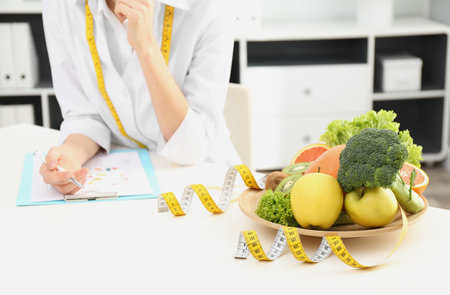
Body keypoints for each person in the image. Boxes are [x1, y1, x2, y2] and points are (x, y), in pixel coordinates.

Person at [40, 0, 240, 195]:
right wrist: (71, 155)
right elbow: (84, 115)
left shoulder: (212, 5)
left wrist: (146, 47)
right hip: (122, 184)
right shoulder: (59, 5)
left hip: (202, 178)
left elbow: (192, 147)